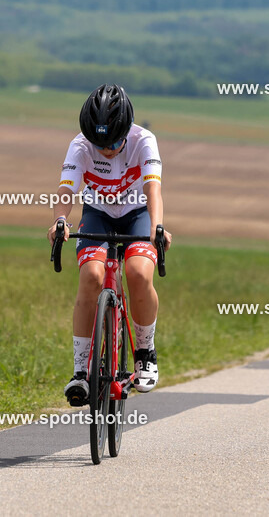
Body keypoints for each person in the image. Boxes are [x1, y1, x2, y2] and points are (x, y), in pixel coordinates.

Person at [47, 84, 171, 406]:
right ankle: (80, 371)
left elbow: (153, 190)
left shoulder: (144, 141)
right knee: (91, 276)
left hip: (137, 214)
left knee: (138, 273)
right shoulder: (80, 145)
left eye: (115, 143)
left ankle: (145, 351)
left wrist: (156, 227)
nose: (107, 150)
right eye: (99, 144)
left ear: (127, 132)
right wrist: (60, 221)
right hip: (98, 213)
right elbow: (66, 190)